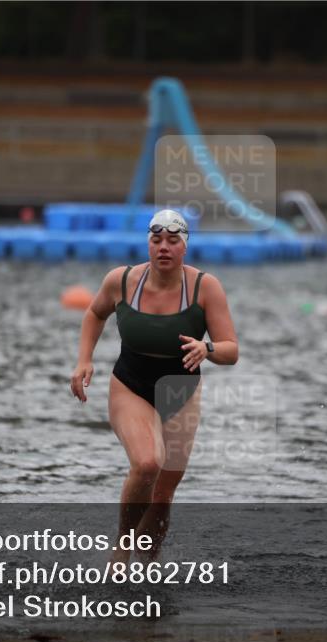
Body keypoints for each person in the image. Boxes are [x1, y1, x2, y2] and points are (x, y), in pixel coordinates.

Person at [70, 210, 239, 564]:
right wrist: (84, 359)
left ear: (184, 247)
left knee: (163, 494)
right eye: (157, 240)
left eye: (173, 241)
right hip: (131, 384)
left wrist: (206, 348)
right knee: (148, 463)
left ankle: (149, 564)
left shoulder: (205, 287)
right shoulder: (121, 280)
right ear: (148, 244)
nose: (164, 247)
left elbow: (231, 351)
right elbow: (95, 313)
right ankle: (122, 550)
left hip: (181, 390)